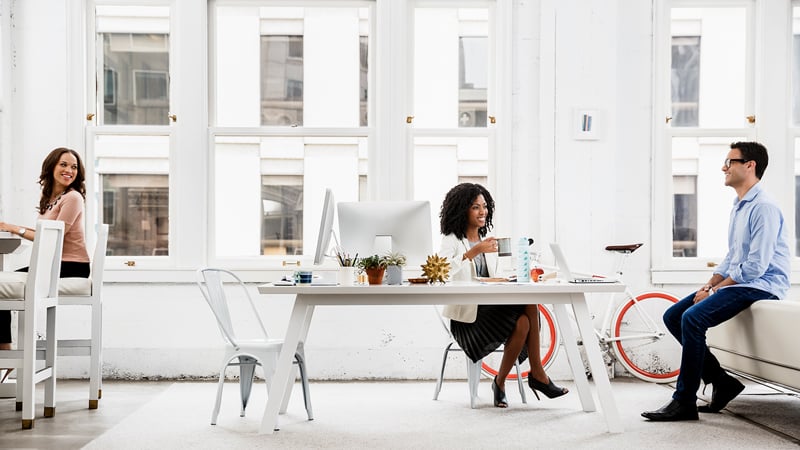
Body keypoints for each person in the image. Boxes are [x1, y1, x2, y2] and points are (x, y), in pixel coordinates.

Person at [642, 142, 790, 421]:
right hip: (742, 282)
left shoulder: (764, 208)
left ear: (750, 165)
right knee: (674, 315)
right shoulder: (740, 206)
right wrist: (708, 285)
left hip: (762, 286)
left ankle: (683, 401)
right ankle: (722, 382)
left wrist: (715, 291)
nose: (724, 167)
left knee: (692, 319)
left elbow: (756, 267)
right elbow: (732, 258)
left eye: (730, 161)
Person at [438, 182, 568, 408]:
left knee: (524, 322)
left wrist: (514, 274)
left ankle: (502, 382)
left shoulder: (488, 241)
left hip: (491, 309)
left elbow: (495, 276)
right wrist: (473, 252)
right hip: (467, 319)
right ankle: (536, 376)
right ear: (462, 210)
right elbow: (443, 272)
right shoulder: (451, 240)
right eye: (476, 207)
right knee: (528, 308)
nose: (483, 212)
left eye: (485, 206)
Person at [0, 147, 90, 383]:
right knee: (2, 286)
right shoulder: (52, 200)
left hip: (71, 266)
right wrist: (10, 226)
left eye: (73, 166)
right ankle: (6, 354)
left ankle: (6, 356)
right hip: (54, 265)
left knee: (2, 285)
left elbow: (55, 237)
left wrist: (13, 229)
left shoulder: (73, 197)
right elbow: (43, 232)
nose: (69, 170)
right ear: (51, 167)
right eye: (63, 164)